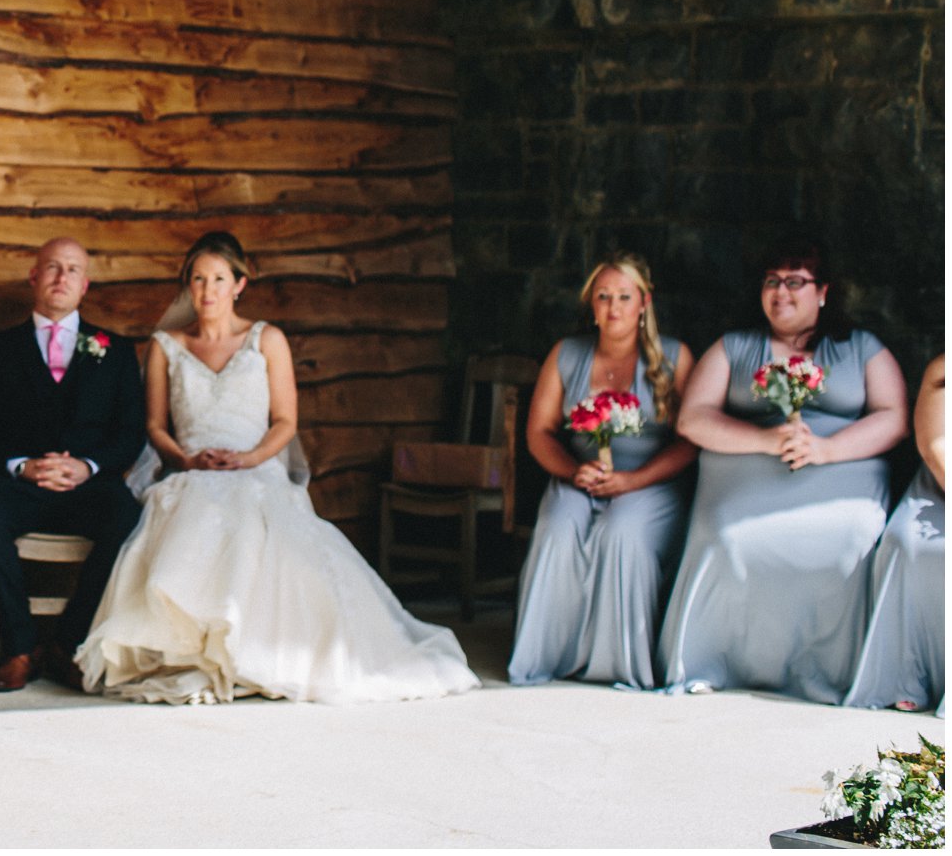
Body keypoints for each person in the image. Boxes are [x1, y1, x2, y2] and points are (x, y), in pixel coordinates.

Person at [75, 232, 479, 705]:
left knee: (253, 509)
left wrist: (248, 459)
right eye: (198, 279)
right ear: (187, 284)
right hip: (192, 469)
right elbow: (155, 425)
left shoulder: (267, 339)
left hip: (255, 466)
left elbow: (286, 421)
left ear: (239, 284)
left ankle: (256, 646)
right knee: (190, 507)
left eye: (219, 279)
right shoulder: (166, 346)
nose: (207, 291)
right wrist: (185, 460)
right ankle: (191, 649)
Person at [658, 236, 909, 703]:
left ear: (823, 291)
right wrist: (765, 439)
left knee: (850, 538)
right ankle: (715, 661)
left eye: (796, 281)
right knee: (730, 539)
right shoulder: (735, 346)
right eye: (772, 281)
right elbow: (692, 418)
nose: (782, 292)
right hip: (747, 471)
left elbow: (894, 416)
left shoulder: (860, 347)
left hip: (839, 467)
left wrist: (828, 449)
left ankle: (833, 672)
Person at [0, 237, 147, 692]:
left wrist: (88, 466)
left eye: (73, 270)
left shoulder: (115, 350)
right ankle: (20, 647)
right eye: (53, 268)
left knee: (128, 518)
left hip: (88, 485)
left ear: (85, 285)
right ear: (34, 277)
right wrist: (22, 466)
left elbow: (131, 433)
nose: (62, 278)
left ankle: (68, 644)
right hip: (22, 483)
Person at [508, 254, 698, 689]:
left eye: (624, 297)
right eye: (603, 297)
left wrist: (634, 480)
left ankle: (617, 663)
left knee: (623, 534)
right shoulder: (567, 354)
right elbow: (539, 431)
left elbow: (690, 440)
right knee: (560, 524)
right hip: (580, 475)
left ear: (644, 303)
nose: (614, 308)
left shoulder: (674, 357)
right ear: (590, 304)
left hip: (651, 480)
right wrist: (574, 472)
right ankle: (547, 656)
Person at [844, 355, 945, 712]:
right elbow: (936, 447)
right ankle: (909, 673)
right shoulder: (942, 369)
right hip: (941, 485)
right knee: (910, 543)